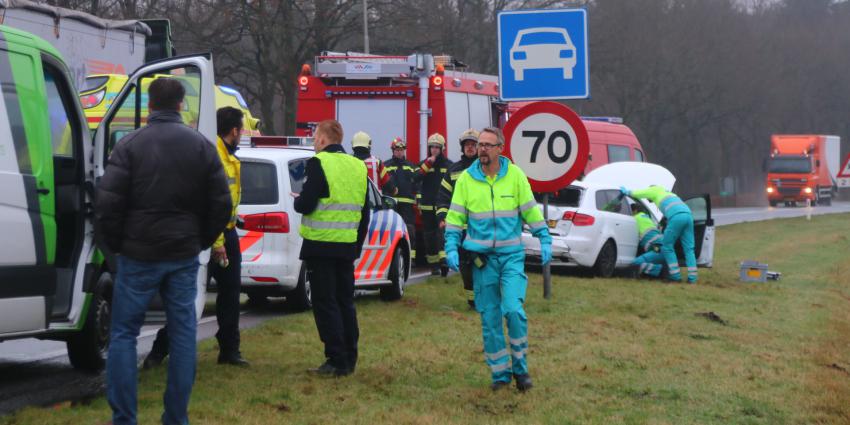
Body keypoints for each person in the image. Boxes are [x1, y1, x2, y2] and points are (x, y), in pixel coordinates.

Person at [96, 78, 232, 425]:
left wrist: (117, 248)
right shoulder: (201, 147)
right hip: (183, 254)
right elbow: (222, 204)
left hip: (137, 254)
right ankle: (175, 417)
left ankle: (124, 418)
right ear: (181, 104)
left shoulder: (129, 146)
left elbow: (108, 206)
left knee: (124, 333)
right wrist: (199, 239)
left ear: (150, 105)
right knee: (184, 331)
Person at [444, 127, 552, 392]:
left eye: (488, 145)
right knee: (490, 319)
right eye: (480, 145)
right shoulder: (467, 180)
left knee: (514, 311)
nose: (482, 149)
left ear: (500, 149)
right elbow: (455, 217)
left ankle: (521, 369)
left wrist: (544, 237)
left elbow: (529, 210)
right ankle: (500, 374)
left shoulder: (515, 176)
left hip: (511, 258)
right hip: (482, 261)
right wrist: (450, 247)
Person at [143, 107, 251, 369]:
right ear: (234, 131)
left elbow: (226, 200)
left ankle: (229, 350)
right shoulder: (212, 153)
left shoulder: (226, 155)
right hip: (208, 236)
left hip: (226, 231)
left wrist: (234, 221)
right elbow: (206, 202)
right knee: (188, 297)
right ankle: (159, 351)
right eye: (241, 130)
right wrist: (217, 244)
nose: (243, 134)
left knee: (230, 295)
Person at [294, 119, 370, 377]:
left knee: (325, 304)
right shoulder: (359, 166)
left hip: (320, 245)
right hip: (346, 246)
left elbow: (306, 204)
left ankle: (335, 359)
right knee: (345, 302)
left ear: (324, 139)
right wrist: (356, 245)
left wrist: (298, 200)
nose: (314, 141)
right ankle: (350, 355)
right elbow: (364, 211)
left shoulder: (319, 163)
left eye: (315, 137)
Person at [437, 129, 480, 308]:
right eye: (467, 145)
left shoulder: (485, 168)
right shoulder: (453, 170)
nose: (470, 148)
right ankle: (473, 301)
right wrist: (442, 216)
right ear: (462, 148)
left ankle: (486, 296)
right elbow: (443, 196)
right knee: (465, 264)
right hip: (460, 228)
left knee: (482, 262)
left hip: (481, 228)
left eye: (473, 145)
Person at [620, 185, 697, 283]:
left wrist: (628, 192)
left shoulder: (655, 189)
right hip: (688, 216)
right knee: (689, 249)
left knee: (667, 247)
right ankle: (692, 278)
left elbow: (639, 193)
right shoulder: (670, 194)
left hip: (676, 217)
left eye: (649, 199)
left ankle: (675, 276)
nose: (649, 201)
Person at [417, 133, 452, 276]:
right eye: (432, 147)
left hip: (442, 207)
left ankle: (444, 263)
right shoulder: (424, 164)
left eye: (437, 147)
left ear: (442, 148)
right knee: (429, 237)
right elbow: (415, 179)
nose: (435, 150)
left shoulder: (449, 165)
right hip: (427, 207)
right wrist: (427, 164)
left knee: (442, 234)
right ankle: (434, 266)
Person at [384, 137, 418, 263]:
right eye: (397, 149)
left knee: (409, 232)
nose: (399, 152)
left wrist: (418, 198)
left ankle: (411, 258)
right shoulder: (386, 166)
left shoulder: (410, 166)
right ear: (393, 150)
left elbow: (417, 183)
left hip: (407, 206)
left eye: (402, 149)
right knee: (391, 231)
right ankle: (391, 257)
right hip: (391, 205)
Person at [630, 203, 665, 278]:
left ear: (635, 211)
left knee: (635, 264)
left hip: (658, 248)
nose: (630, 214)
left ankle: (660, 270)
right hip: (662, 247)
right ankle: (661, 268)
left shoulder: (634, 218)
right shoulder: (648, 218)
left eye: (630, 211)